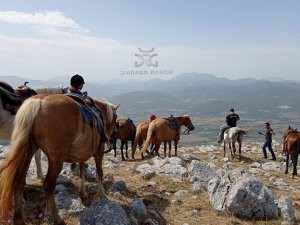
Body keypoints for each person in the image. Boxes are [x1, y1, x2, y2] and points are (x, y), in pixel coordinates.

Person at [69, 74, 107, 143]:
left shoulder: (67, 94)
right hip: (80, 96)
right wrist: (85, 96)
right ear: (81, 85)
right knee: (99, 112)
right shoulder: (82, 96)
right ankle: (102, 135)